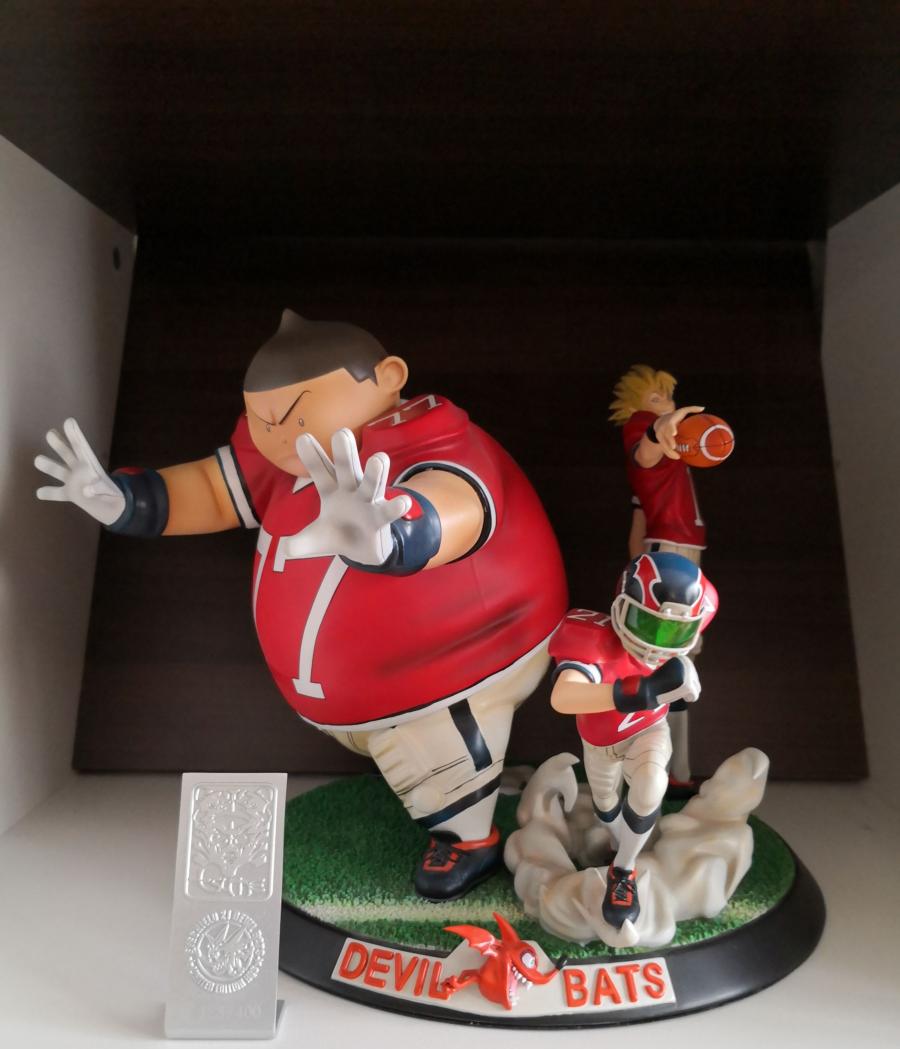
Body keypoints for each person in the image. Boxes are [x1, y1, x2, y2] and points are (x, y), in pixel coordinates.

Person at [35, 311, 568, 900]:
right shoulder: (280, 462)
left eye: (292, 413)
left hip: (458, 667)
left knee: (439, 756)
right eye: (261, 419)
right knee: (414, 753)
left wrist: (395, 535)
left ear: (389, 377)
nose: (276, 434)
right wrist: (127, 501)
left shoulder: (430, 440)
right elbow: (213, 490)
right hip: (355, 696)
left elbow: (459, 503)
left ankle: (469, 840)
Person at [549, 552, 717, 929]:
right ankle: (619, 842)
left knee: (651, 783)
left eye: (671, 632)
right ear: (622, 607)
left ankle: (623, 871)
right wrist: (640, 691)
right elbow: (563, 697)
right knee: (606, 806)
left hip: (648, 730)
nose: (657, 643)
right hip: (600, 741)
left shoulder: (690, 631)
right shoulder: (592, 639)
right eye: (647, 623)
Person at [609, 364, 707, 786]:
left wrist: (634, 568)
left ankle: (672, 770)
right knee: (664, 661)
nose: (666, 404)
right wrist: (657, 427)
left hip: (668, 551)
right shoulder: (643, 425)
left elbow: (638, 518)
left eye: (667, 397)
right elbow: (644, 451)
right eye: (656, 398)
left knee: (677, 661)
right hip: (669, 553)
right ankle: (654, 769)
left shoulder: (671, 461)